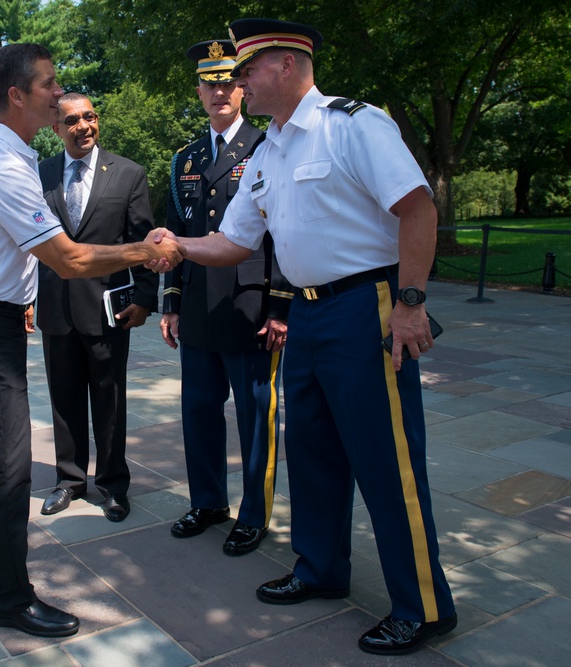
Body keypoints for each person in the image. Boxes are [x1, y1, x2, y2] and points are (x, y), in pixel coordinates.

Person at [152, 18, 456, 656]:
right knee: (314, 456)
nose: (237, 85)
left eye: (246, 72)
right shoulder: (269, 151)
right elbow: (234, 241)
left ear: (285, 66)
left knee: (385, 460)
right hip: (310, 316)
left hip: (366, 307)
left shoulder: (354, 125)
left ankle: (422, 606)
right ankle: (319, 569)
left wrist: (410, 304)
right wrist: (177, 245)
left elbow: (417, 207)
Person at [0, 43, 181, 639]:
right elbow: (68, 259)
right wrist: (145, 254)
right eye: (49, 84)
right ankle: (10, 599)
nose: (59, 92)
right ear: (18, 95)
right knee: (10, 461)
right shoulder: (2, 164)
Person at [161, 40, 292, 556]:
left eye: (228, 82)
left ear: (242, 87)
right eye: (208, 83)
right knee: (198, 409)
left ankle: (254, 514)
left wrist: (280, 306)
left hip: (250, 305)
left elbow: (284, 233)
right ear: (198, 90)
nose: (218, 91)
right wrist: (170, 301)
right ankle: (208, 500)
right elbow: (175, 233)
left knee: (254, 415)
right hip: (196, 306)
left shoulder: (270, 145)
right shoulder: (185, 158)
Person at [36, 93, 159, 523]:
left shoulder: (128, 174)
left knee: (110, 400)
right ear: (57, 128)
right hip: (55, 309)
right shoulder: (40, 174)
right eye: (72, 120)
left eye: (89, 117)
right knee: (63, 400)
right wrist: (25, 299)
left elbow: (144, 241)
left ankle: (112, 484)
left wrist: (145, 298)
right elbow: (28, 246)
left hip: (109, 311)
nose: (83, 126)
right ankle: (69, 480)